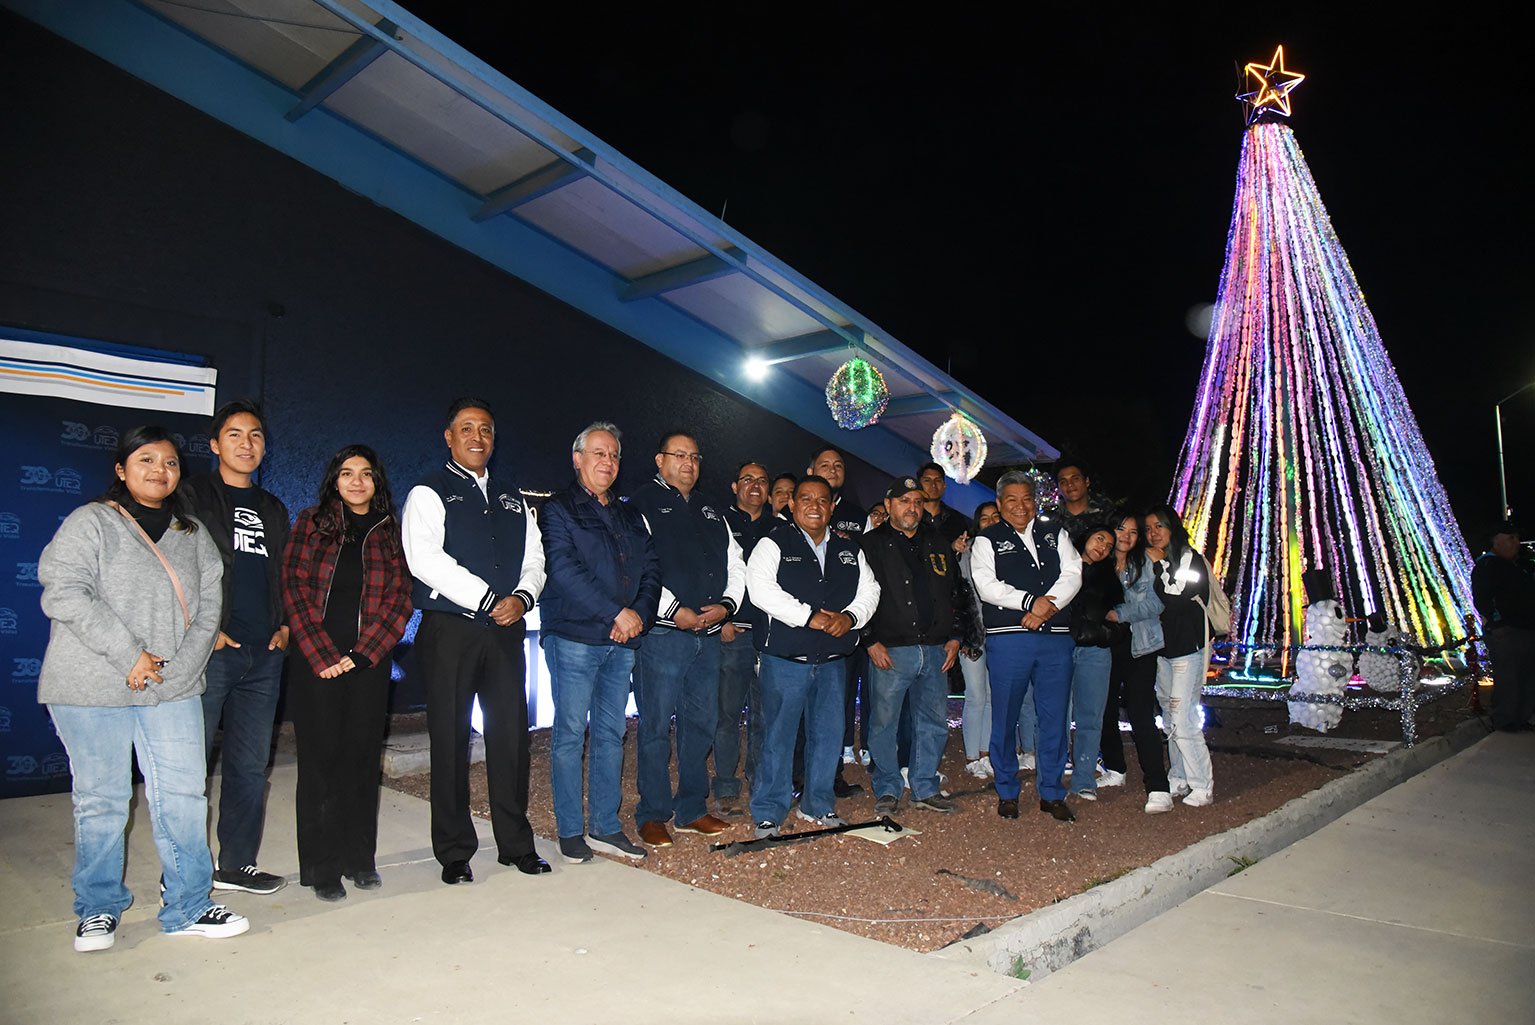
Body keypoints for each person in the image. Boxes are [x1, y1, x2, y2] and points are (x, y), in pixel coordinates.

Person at [39, 426, 249, 950]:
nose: (160, 470)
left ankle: (188, 904)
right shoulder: (91, 522)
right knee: (102, 801)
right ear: (121, 469)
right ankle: (98, 907)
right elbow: (64, 591)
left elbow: (209, 609)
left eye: (171, 462)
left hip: (171, 688)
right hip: (90, 686)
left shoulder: (192, 534)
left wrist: (176, 673)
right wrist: (129, 654)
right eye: (146, 459)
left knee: (184, 797)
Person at [402, 398, 549, 883]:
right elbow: (424, 558)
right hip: (451, 631)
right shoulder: (429, 490)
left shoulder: (512, 496)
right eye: (466, 428)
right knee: (450, 739)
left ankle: (515, 845)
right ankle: (454, 851)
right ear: (449, 437)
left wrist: (523, 598)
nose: (477, 437)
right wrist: (487, 598)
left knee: (511, 738)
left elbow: (535, 558)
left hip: (505, 631)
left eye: (485, 429)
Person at [282, 445, 413, 900]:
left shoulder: (390, 531)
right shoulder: (311, 522)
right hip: (315, 662)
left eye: (365, 474)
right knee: (320, 763)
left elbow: (400, 598)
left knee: (360, 760)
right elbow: (293, 587)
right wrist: (322, 654)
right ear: (334, 481)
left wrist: (363, 654)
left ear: (377, 482)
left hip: (367, 663)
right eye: (346, 473)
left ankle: (359, 859)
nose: (356, 481)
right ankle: (322, 868)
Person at [539, 422, 660, 863]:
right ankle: (571, 831)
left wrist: (637, 616)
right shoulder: (558, 509)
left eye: (614, 455)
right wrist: (615, 613)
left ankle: (605, 826)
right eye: (598, 453)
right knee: (571, 734)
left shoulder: (630, 515)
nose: (607, 462)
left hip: (622, 641)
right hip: (574, 636)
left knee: (612, 733)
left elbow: (651, 569)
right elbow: (563, 569)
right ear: (578, 459)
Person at [185, 400, 291, 896]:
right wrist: (203, 629)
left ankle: (236, 864)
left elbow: (285, 574)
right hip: (211, 652)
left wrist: (285, 625)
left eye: (255, 435)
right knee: (190, 768)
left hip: (263, 654)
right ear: (214, 444)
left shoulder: (273, 507)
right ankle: (182, 873)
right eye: (234, 434)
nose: (246, 444)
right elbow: (173, 568)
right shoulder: (191, 496)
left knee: (249, 766)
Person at [746, 476, 880, 838]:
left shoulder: (848, 549)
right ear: (792, 504)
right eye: (806, 498)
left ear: (833, 507)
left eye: (822, 500)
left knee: (828, 736)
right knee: (778, 737)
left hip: (833, 661)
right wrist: (808, 617)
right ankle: (769, 811)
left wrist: (850, 617)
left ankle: (818, 805)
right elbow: (760, 590)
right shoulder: (773, 542)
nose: (814, 506)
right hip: (785, 661)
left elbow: (870, 590)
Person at [630, 431, 745, 847]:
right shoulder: (641, 503)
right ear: (659, 460)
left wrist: (727, 605)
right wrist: (674, 609)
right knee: (656, 726)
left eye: (695, 457)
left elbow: (736, 561)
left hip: (708, 636)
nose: (689, 464)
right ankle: (653, 812)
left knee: (701, 724)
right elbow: (638, 565)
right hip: (664, 635)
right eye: (679, 455)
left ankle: (692, 809)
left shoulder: (711, 508)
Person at [861, 477, 978, 816]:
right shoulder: (869, 544)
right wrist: (869, 640)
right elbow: (856, 596)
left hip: (936, 649)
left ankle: (925, 786)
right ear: (888, 505)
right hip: (890, 650)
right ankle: (887, 787)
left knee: (933, 723)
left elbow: (957, 592)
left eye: (917, 501)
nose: (912, 507)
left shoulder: (937, 542)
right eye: (904, 501)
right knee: (884, 724)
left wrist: (956, 635)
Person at [971, 471, 1082, 822]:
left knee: (1054, 717)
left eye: (1027, 499)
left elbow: (1073, 574)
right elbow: (986, 585)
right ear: (999, 504)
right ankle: (1007, 790)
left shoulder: (1055, 532)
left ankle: (1052, 792)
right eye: (1012, 500)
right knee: (1005, 717)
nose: (1021, 506)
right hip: (1009, 638)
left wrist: (1046, 607)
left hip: (1056, 637)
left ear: (1035, 501)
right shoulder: (986, 539)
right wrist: (1030, 602)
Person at [713, 461, 777, 818]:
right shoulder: (718, 521)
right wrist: (723, 617)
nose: (755, 486)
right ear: (734, 486)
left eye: (762, 481)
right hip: (732, 633)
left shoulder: (779, 528)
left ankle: (759, 783)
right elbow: (713, 571)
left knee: (764, 716)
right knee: (727, 713)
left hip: (769, 636)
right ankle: (725, 786)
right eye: (748, 480)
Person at [1144, 504, 1215, 806]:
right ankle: (1179, 776)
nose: (1153, 533)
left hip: (1188, 648)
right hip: (1163, 651)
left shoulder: (1189, 558)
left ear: (1172, 527)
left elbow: (1177, 596)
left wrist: (1159, 565)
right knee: (1169, 716)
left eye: (1159, 526)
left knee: (1182, 716)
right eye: (1148, 529)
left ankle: (1202, 784)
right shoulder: (1154, 561)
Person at [1102, 511, 1172, 812]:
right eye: (1121, 529)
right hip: (1106, 646)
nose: (1126, 537)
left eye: (1133, 531)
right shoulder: (1100, 561)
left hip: (1140, 644)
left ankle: (1158, 786)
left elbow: (1156, 603)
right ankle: (1115, 768)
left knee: (1140, 713)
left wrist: (1120, 613)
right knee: (1104, 710)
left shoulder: (1144, 562)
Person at [807, 446, 870, 779]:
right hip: (805, 627)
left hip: (847, 626)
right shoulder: (796, 511)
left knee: (840, 700)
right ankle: (800, 777)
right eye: (824, 464)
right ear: (810, 471)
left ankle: (833, 774)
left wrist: (855, 619)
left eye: (838, 465)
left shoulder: (860, 516)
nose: (832, 470)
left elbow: (871, 572)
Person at [1064, 524, 1123, 801]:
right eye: (1100, 539)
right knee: (1055, 716)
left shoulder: (1109, 578)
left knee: (1090, 718)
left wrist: (1105, 633)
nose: (1103, 547)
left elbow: (1120, 613)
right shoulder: (1062, 564)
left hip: (1095, 651)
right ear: (1086, 537)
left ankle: (1084, 779)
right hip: (1061, 648)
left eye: (1109, 546)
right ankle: (1050, 777)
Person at [1472, 523, 1535, 732]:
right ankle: (1505, 719)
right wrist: (1496, 622)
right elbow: (1482, 598)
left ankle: (1521, 717)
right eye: (1510, 538)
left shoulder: (1520, 566)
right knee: (1509, 675)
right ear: (1496, 540)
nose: (1516, 543)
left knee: (1526, 675)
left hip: (1526, 628)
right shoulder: (1488, 565)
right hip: (1505, 630)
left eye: (1516, 538)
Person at [960, 501, 1000, 778]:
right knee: (975, 694)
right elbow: (959, 595)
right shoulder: (966, 551)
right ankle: (972, 757)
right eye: (984, 518)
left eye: (995, 516)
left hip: (1000, 634)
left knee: (992, 696)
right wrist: (964, 634)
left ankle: (985, 754)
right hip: (972, 634)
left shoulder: (1010, 550)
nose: (990, 521)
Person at [1049, 460, 1112, 542]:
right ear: (1058, 488)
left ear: (1087, 481)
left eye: (1075, 479)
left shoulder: (1107, 513)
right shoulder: (1051, 519)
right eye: (1063, 482)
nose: (1070, 484)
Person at [917, 462, 969, 548]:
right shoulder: (911, 514)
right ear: (918, 484)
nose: (933, 485)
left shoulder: (957, 520)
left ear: (944, 485)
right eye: (927, 480)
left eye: (938, 481)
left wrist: (954, 547)